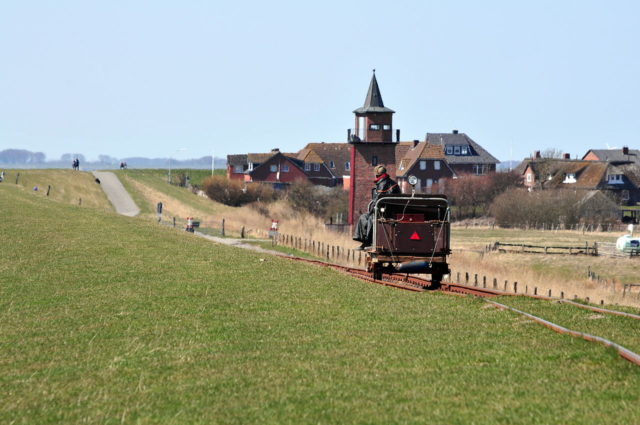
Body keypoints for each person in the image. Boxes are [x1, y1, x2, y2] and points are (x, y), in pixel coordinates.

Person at [353, 165, 400, 250]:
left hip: (387, 212)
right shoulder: (385, 182)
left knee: (371, 218)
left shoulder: (383, 183)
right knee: (363, 217)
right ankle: (364, 241)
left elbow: (380, 201)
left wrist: (371, 211)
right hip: (381, 210)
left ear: (377, 175)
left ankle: (368, 242)